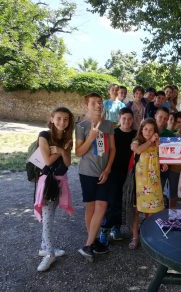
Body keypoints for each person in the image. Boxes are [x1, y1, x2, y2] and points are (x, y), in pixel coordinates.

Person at [75, 92, 116, 262]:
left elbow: (113, 149)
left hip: (103, 173)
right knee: (91, 207)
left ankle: (89, 244)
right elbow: (78, 153)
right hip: (87, 173)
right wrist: (91, 137)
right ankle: (91, 243)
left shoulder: (108, 125)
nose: (98, 105)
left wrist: (107, 170)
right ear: (87, 105)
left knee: (102, 205)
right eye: (94, 103)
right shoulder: (81, 126)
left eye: (100, 102)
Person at [34, 107, 74, 272]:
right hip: (48, 184)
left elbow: (68, 162)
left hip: (59, 182)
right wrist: (60, 150)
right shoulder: (44, 135)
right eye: (58, 118)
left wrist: (63, 150)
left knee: (48, 216)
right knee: (48, 218)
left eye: (65, 119)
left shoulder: (67, 138)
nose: (62, 122)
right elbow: (48, 161)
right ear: (51, 119)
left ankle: (45, 247)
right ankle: (49, 254)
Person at [98, 108, 137, 246]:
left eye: (129, 119)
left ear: (133, 120)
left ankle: (116, 227)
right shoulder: (113, 133)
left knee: (123, 201)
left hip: (129, 173)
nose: (127, 121)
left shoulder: (135, 134)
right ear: (119, 119)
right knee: (112, 200)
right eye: (124, 118)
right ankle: (104, 229)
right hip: (113, 171)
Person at [130, 118, 167, 249]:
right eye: (145, 129)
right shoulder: (136, 142)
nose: (148, 131)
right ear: (141, 129)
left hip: (154, 183)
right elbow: (138, 150)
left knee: (153, 212)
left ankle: (149, 237)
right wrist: (150, 141)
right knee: (136, 211)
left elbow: (162, 155)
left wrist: (164, 163)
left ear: (155, 131)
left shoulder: (157, 142)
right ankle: (135, 237)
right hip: (139, 185)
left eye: (151, 129)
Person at [167, 111, 181, 207]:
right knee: (173, 194)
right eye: (178, 122)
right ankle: (171, 215)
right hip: (174, 170)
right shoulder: (172, 136)